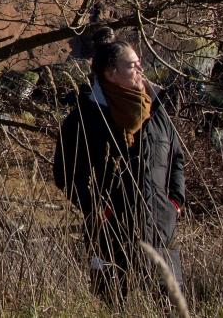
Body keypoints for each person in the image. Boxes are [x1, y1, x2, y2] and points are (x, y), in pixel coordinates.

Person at [54, 27, 186, 303]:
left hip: (162, 232)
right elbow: (65, 172)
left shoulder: (158, 109)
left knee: (170, 307)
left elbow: (176, 158)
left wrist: (175, 201)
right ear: (110, 73)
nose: (141, 70)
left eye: (140, 64)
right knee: (113, 305)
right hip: (112, 234)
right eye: (133, 65)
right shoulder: (87, 117)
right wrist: (97, 208)